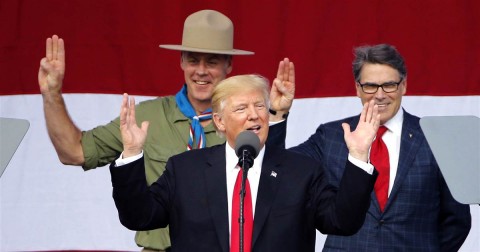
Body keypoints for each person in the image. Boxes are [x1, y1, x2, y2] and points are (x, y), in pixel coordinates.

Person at [37, 10, 293, 252]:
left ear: (229, 65)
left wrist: (276, 116)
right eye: (193, 60)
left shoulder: (246, 120)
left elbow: (273, 183)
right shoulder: (147, 116)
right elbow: (74, 152)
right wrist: (51, 94)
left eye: (212, 62)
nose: (201, 70)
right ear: (181, 61)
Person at [110, 74, 380, 251]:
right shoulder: (184, 170)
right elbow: (139, 216)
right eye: (241, 109)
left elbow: (342, 222)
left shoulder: (301, 172)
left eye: (259, 106)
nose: (254, 116)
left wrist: (357, 157)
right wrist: (133, 152)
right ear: (219, 121)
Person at [279, 44, 472, 251]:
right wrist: (277, 116)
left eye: (389, 85)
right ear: (357, 88)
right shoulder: (332, 136)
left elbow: (457, 221)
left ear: (403, 86)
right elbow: (282, 168)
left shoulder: (436, 138)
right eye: (370, 86)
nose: (380, 95)